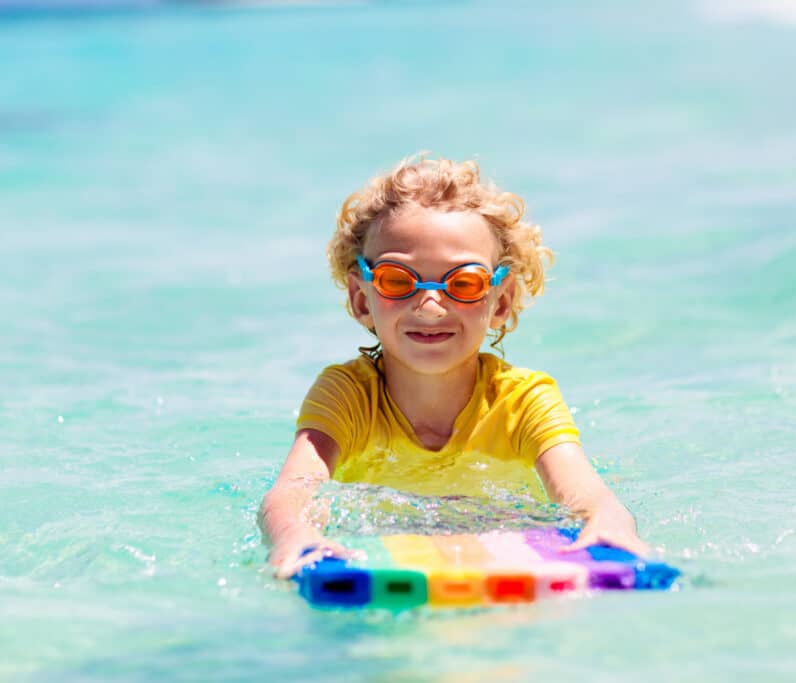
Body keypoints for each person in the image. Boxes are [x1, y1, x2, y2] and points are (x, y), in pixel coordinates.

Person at [260, 155, 650, 579]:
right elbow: (292, 491)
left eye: (463, 283)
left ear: (500, 301)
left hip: (503, 525)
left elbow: (586, 492)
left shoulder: (523, 401)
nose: (429, 305)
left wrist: (610, 523)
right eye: (397, 280)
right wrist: (294, 535)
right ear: (360, 298)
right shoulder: (347, 395)